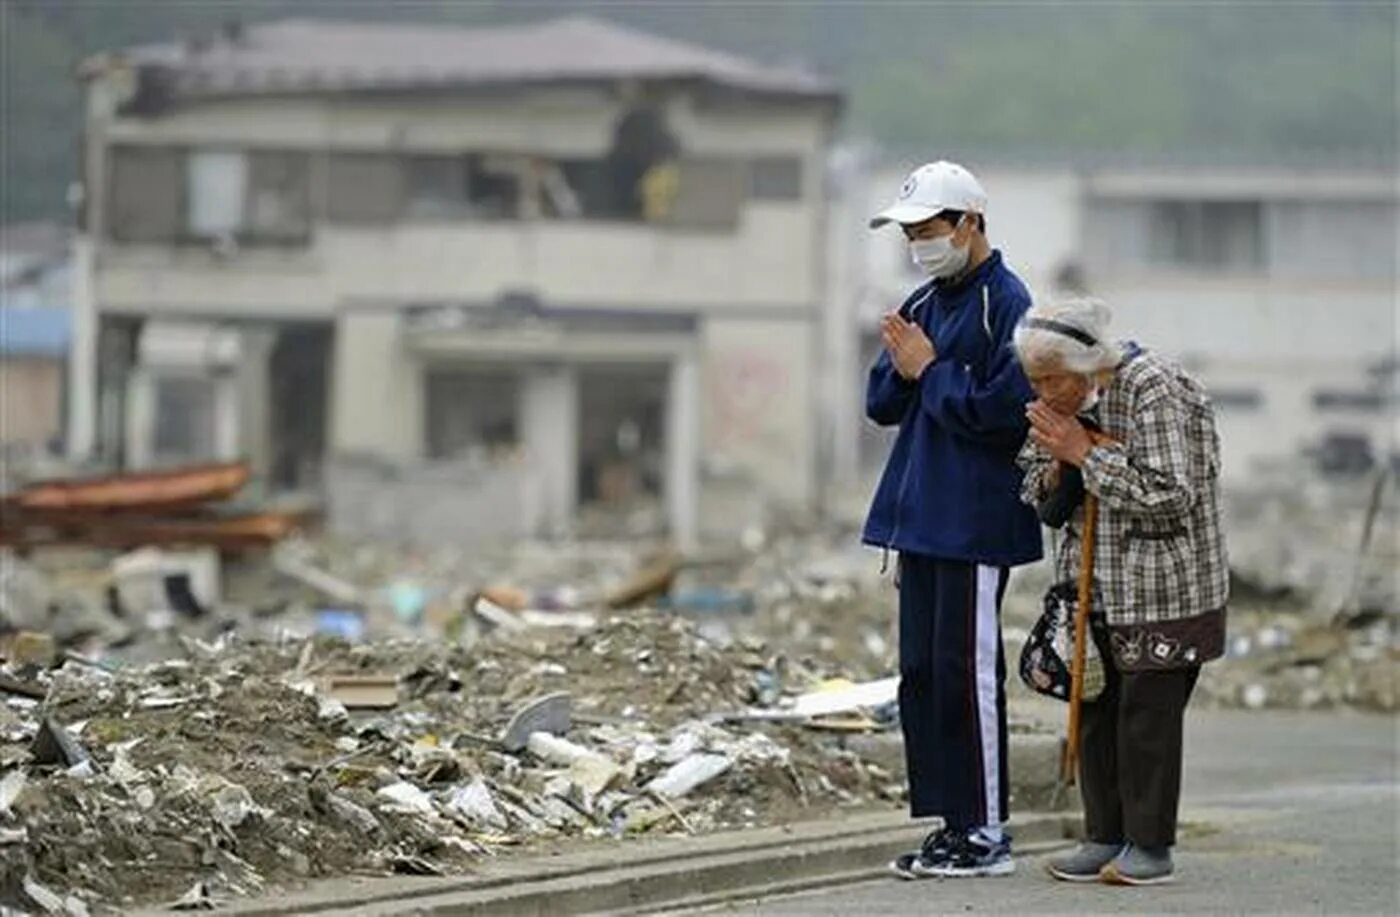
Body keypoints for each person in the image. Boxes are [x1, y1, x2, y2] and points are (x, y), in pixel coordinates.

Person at [863, 161, 1042, 879]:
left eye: (929, 228)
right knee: (922, 674)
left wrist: (930, 369)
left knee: (968, 674)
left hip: (972, 522)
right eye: (909, 231)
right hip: (920, 521)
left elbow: (1003, 414)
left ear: (970, 224)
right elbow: (882, 400)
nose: (918, 242)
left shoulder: (1012, 304)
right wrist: (910, 367)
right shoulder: (926, 299)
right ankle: (950, 825)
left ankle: (988, 831)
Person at [1012, 297, 1229, 886]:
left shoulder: (1153, 388)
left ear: (1087, 364)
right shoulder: (1060, 402)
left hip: (1164, 588)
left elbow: (1171, 495)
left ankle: (1150, 846)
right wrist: (1060, 463)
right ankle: (1102, 835)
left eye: (1052, 378)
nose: (1043, 392)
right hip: (1093, 590)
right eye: (1033, 381)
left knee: (1147, 721)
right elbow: (1035, 487)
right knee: (1094, 710)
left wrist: (1087, 454)